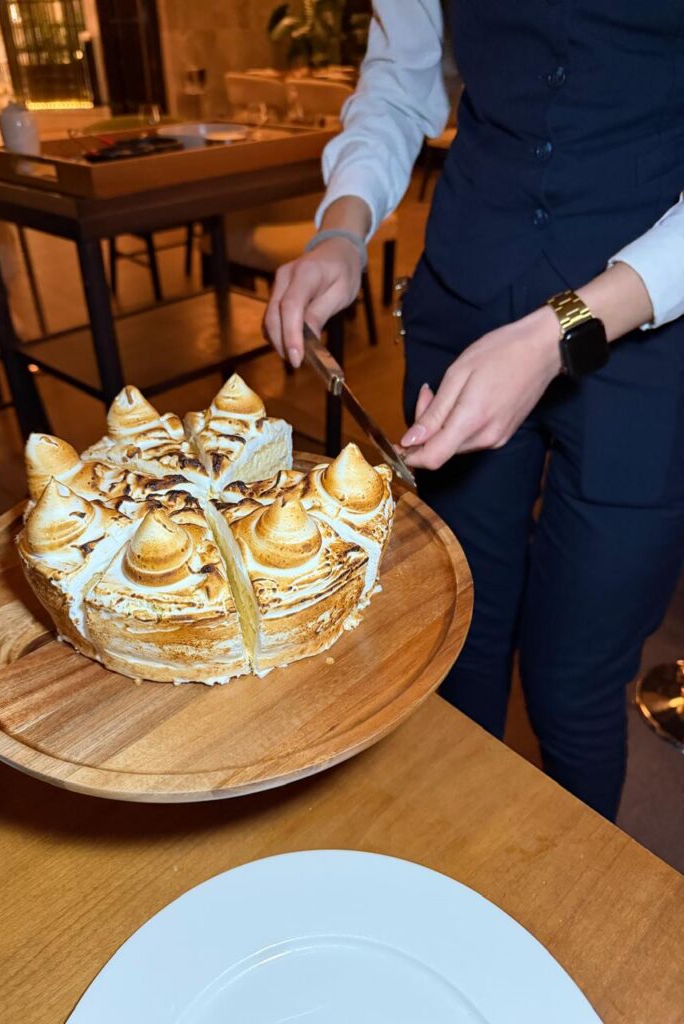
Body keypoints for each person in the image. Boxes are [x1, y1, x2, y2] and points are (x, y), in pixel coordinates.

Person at [263, 2, 684, 820]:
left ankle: (564, 892)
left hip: (650, 331)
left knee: (572, 684)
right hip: (465, 291)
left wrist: (561, 329)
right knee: (460, 635)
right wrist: (341, 232)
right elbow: (399, 81)